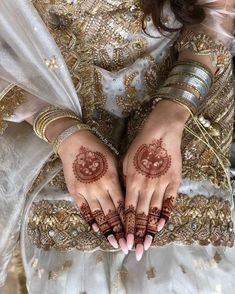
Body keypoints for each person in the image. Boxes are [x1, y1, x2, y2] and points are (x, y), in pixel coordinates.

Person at [0, 0, 234, 293]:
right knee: (74, 275)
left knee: (180, 271)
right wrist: (64, 132)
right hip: (51, 95)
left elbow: (216, 9)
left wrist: (174, 109)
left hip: (178, 76)